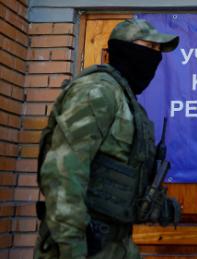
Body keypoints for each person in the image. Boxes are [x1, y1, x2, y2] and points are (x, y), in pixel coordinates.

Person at [33, 18, 180, 259]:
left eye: (158, 51)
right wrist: (72, 246)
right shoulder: (97, 91)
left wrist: (154, 207)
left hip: (116, 242)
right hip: (84, 243)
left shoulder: (126, 100)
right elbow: (62, 171)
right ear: (125, 50)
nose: (155, 57)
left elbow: (114, 172)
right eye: (150, 48)